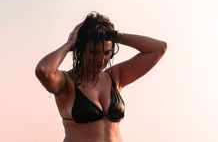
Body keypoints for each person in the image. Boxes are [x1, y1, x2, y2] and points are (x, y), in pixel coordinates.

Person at [35, 11, 167, 142]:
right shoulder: (66, 83)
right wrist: (69, 44)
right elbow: (43, 70)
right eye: (94, 52)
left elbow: (158, 48)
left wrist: (117, 36)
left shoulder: (115, 77)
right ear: (80, 49)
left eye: (107, 52)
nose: (101, 59)